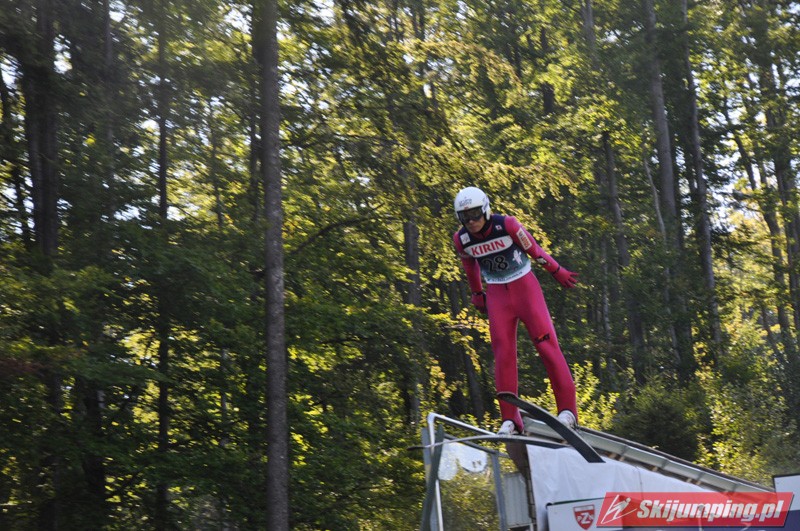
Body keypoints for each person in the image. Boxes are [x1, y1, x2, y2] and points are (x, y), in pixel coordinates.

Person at [452, 186, 579, 435]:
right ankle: (510, 419)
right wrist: (477, 293)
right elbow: (470, 267)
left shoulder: (507, 225)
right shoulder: (462, 239)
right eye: (465, 217)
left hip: (525, 288)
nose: (472, 221)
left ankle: (568, 411)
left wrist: (556, 270)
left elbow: (534, 250)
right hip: (497, 294)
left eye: (475, 214)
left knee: (546, 344)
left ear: (485, 209)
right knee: (503, 353)